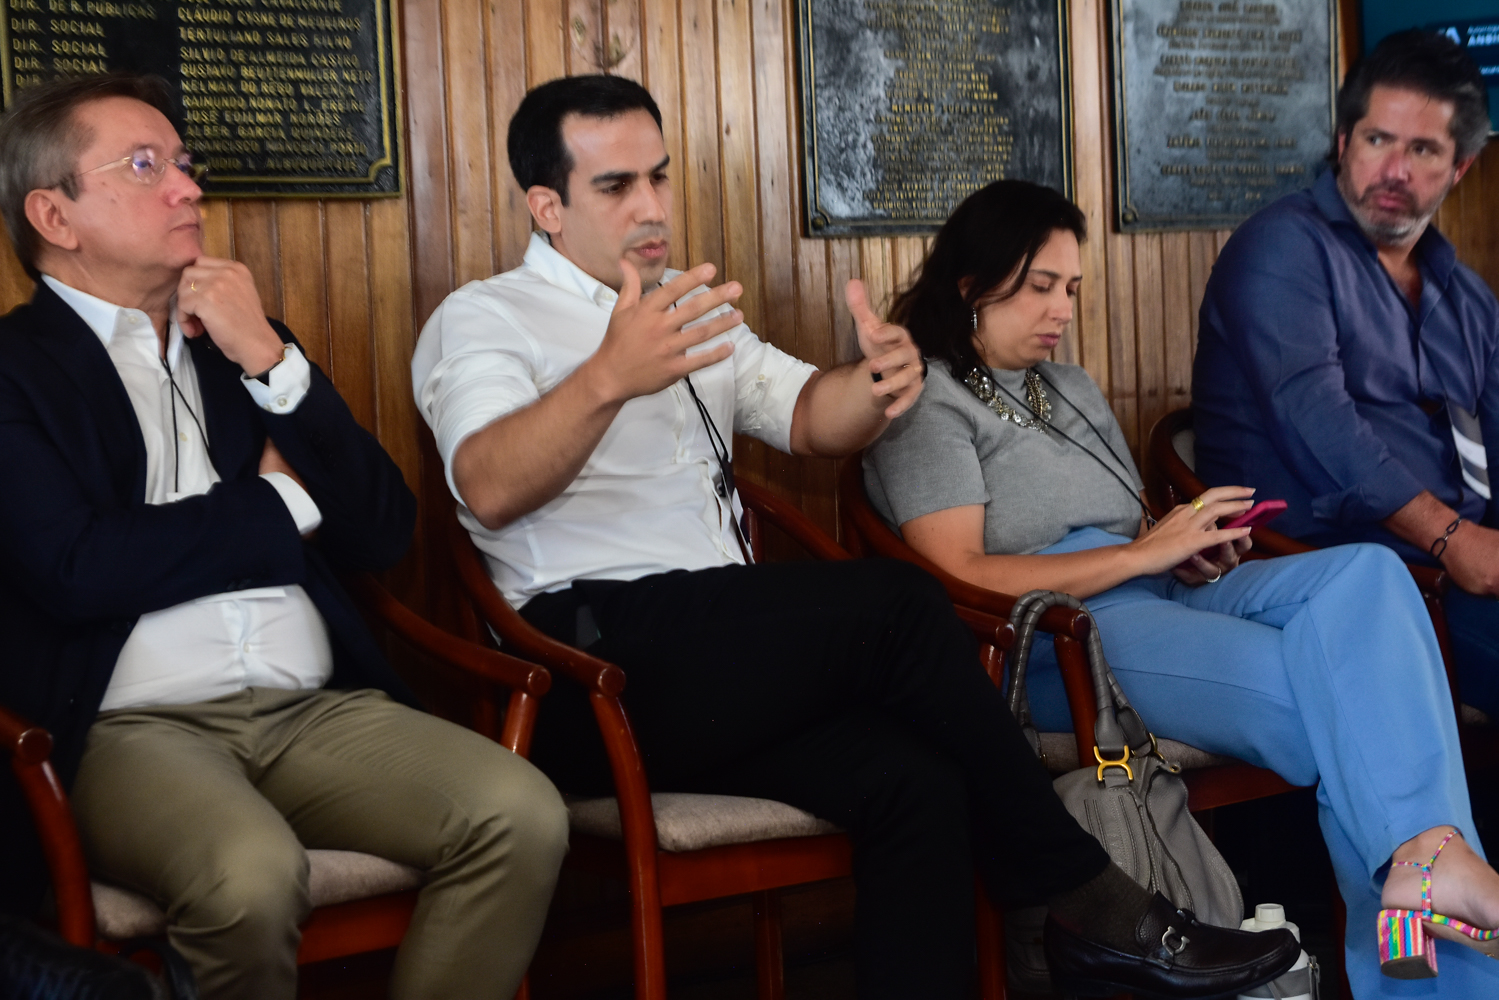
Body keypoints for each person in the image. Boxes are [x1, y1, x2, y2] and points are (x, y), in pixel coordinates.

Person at [413, 73, 1300, 1000]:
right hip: (582, 663)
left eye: (658, 176)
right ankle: (1094, 904)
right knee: (899, 604)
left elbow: (807, 416)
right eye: (615, 186)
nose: (651, 206)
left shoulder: (686, 304)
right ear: (546, 205)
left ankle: (1084, 915)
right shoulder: (485, 317)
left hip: (717, 666)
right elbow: (487, 485)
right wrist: (606, 375)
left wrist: (876, 384)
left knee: (915, 784)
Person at [0, 74, 569, 1000]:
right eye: (144, 166)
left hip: (312, 708)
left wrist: (270, 358)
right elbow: (77, 568)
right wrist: (282, 506)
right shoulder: (15, 371)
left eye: (184, 163)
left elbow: (382, 530)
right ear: (53, 216)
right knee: (250, 877)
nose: (187, 187)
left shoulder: (242, 342)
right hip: (129, 728)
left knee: (520, 811)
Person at [863, 177, 1499, 997]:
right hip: (1061, 638)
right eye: (1040, 286)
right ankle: (1433, 924)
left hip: (1157, 593)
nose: (1061, 309)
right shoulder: (924, 401)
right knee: (1353, 703)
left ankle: (1424, 867)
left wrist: (1188, 547)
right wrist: (1139, 557)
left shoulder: (1069, 387)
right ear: (970, 285)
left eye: (1072, 288)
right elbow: (963, 574)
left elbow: (1133, 531)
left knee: (1367, 575)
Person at [1191, 30, 1499, 720]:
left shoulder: (1468, 297)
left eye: (1422, 150)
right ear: (1341, 142)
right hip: (1339, 575)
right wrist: (1454, 539)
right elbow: (1319, 424)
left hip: (1451, 571)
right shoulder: (1281, 248)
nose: (1394, 170)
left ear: (1460, 167)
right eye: (1377, 140)